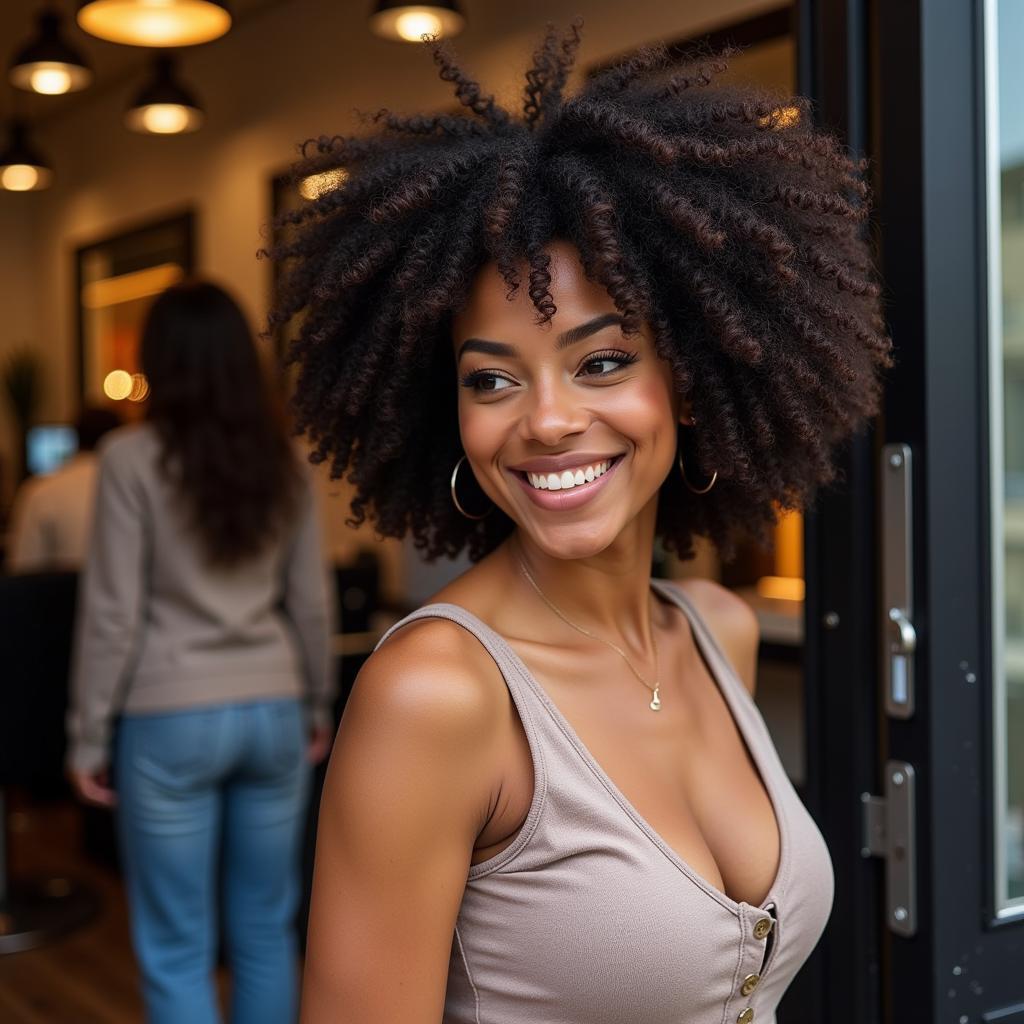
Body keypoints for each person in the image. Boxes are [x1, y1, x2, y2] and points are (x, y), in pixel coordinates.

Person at [271, 26, 891, 1024]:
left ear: (688, 379)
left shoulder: (709, 627)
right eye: (492, 378)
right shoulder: (437, 695)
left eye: (601, 361)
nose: (547, 419)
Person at [66, 281, 335, 1024]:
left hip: (168, 716)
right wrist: (317, 701)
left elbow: (113, 612)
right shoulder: (285, 461)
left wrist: (88, 734)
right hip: (276, 710)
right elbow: (311, 602)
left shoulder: (130, 458)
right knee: (264, 930)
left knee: (177, 944)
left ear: (160, 360)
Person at [6, 406, 121, 572]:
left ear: (74, 437)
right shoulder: (133, 487)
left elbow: (23, 566)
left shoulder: (40, 490)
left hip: (56, 596)